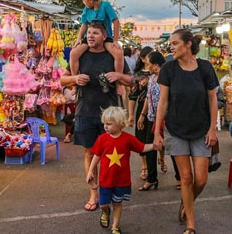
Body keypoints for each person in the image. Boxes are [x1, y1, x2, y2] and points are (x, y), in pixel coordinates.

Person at [60, 21, 133, 212]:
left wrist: (118, 77)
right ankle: (93, 193)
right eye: (89, 33)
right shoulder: (81, 55)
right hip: (85, 111)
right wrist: (75, 79)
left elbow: (131, 80)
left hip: (110, 114)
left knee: (110, 154)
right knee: (90, 153)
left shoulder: (113, 55)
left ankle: (109, 191)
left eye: (95, 33)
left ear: (104, 36)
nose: (90, 36)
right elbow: (62, 79)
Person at [153, 29, 219, 234]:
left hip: (201, 130)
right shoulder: (168, 68)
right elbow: (163, 102)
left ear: (188, 44)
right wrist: (157, 132)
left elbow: (212, 99)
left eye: (175, 43)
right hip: (176, 129)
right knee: (186, 178)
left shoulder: (205, 68)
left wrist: (212, 129)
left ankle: (186, 202)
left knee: (201, 179)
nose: (171, 47)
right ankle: (191, 224)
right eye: (170, 43)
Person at [87, 107, 154, 234]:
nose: (105, 127)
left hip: (121, 180)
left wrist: (154, 146)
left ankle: (115, 226)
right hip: (106, 180)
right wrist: (90, 170)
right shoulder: (102, 139)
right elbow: (96, 155)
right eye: (104, 123)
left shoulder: (128, 138)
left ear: (119, 124)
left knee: (117, 203)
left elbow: (141, 147)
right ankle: (105, 213)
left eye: (109, 124)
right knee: (103, 204)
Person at [69, 0, 123, 96]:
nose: (83, 2)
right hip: (90, 38)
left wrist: (115, 40)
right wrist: (79, 38)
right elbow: (84, 24)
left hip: (105, 37)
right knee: (74, 53)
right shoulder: (86, 9)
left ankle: (118, 83)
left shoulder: (105, 6)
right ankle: (75, 83)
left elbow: (116, 21)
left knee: (118, 54)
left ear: (90, 0)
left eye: (83, 0)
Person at [137, 51, 166, 191]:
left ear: (155, 65)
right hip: (151, 118)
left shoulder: (166, 79)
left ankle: (180, 177)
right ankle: (152, 179)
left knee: (171, 147)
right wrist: (142, 115)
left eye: (148, 63)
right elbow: (148, 98)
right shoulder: (152, 78)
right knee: (150, 148)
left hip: (166, 119)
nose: (146, 66)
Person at [127, 46, 153, 181]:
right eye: (149, 56)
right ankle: (144, 166)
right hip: (142, 108)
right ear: (142, 58)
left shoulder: (159, 73)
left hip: (157, 109)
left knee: (155, 137)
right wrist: (131, 115)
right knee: (141, 138)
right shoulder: (137, 75)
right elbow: (132, 97)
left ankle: (158, 162)